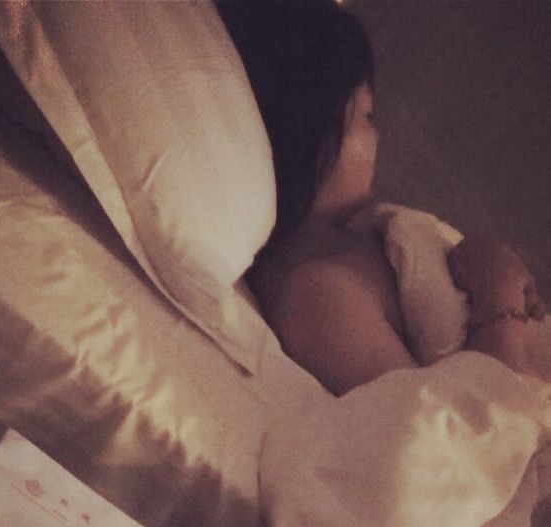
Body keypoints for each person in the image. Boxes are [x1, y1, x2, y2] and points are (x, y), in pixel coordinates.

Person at [220, 1, 547, 395]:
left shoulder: (362, 239)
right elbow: (467, 425)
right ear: (312, 134)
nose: (376, 137)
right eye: (366, 116)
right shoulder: (316, 296)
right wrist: (498, 297)